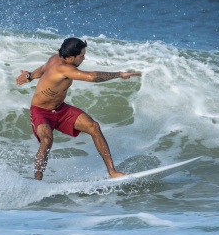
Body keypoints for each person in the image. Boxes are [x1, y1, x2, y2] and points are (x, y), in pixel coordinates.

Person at [15, 38, 141, 180]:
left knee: (93, 127)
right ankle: (37, 181)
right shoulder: (64, 69)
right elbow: (92, 77)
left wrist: (29, 76)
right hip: (41, 111)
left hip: (60, 109)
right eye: (81, 56)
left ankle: (112, 172)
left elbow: (43, 70)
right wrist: (119, 74)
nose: (84, 58)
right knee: (46, 141)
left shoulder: (55, 58)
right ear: (69, 58)